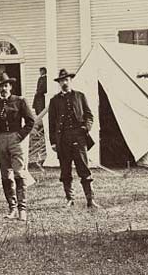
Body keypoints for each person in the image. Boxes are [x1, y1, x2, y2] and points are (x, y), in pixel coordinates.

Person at [48, 69, 99, 208]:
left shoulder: (80, 96)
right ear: (59, 83)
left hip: (79, 138)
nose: (64, 83)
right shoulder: (54, 101)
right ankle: (70, 199)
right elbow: (51, 123)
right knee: (65, 170)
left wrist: (85, 128)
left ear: (71, 80)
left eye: (67, 80)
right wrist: (53, 141)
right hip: (63, 139)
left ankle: (90, 199)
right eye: (62, 81)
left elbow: (89, 116)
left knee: (84, 168)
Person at [0, 73, 36, 221]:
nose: (3, 88)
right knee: (5, 176)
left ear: (10, 86)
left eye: (5, 85)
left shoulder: (20, 101)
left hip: (16, 139)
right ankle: (12, 208)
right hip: (1, 139)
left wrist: (20, 135)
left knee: (19, 174)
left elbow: (30, 121)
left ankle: (22, 209)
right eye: (0, 86)